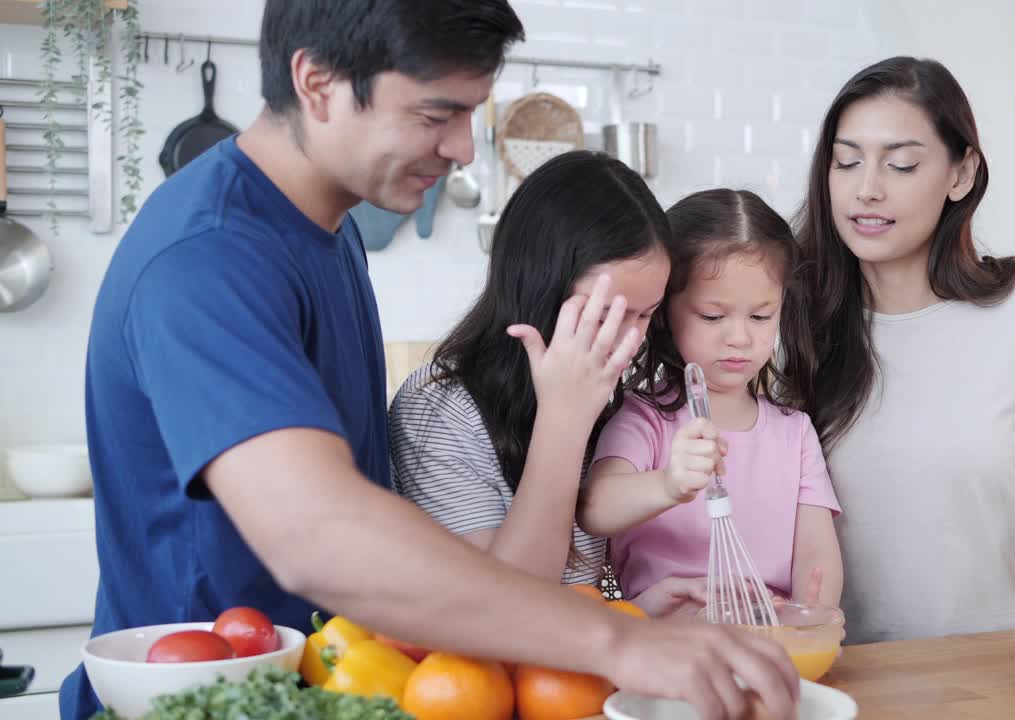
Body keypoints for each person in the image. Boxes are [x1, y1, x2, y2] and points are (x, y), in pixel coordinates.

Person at [61, 3, 799, 718]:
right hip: (203, 703)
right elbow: (316, 535)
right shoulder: (210, 258)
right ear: (317, 83)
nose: (462, 149)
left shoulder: (327, 232)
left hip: (327, 687)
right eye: (434, 114)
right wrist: (621, 641)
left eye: (469, 115)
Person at [795, 55, 1015, 704]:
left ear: (961, 174)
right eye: (846, 162)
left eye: (900, 164)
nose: (866, 188)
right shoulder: (791, 321)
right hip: (838, 686)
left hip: (1005, 678)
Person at [389, 150, 699, 607]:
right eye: (604, 315)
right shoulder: (436, 410)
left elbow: (584, 589)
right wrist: (564, 418)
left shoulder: (617, 395)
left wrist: (639, 611)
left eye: (645, 315)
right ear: (538, 289)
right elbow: (505, 612)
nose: (629, 341)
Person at [580, 189, 843, 617]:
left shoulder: (794, 432)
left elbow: (816, 551)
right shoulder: (645, 419)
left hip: (768, 636)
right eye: (713, 316)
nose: (739, 337)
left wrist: (811, 615)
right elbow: (594, 508)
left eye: (761, 317)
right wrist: (669, 484)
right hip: (665, 641)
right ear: (664, 311)